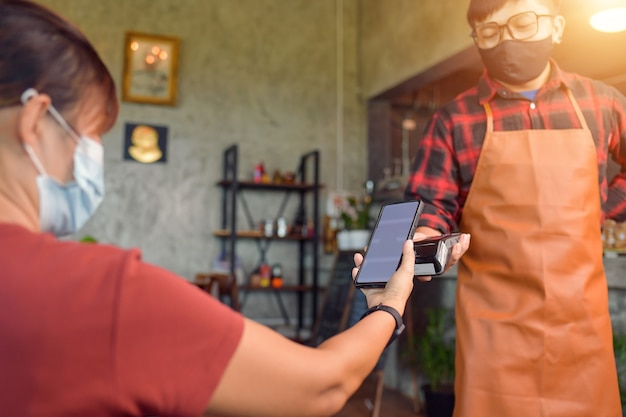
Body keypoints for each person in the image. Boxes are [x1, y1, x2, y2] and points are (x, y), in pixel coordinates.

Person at [0, 1, 471, 416]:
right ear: (37, 120)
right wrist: (387, 307)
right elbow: (321, 386)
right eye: (90, 136)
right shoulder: (102, 293)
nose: (92, 159)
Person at [405, 0, 626, 416]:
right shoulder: (455, 119)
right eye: (490, 32)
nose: (507, 40)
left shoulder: (603, 103)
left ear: (556, 28)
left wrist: (602, 205)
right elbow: (430, 204)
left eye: (523, 22)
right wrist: (425, 238)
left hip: (581, 325)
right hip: (493, 329)